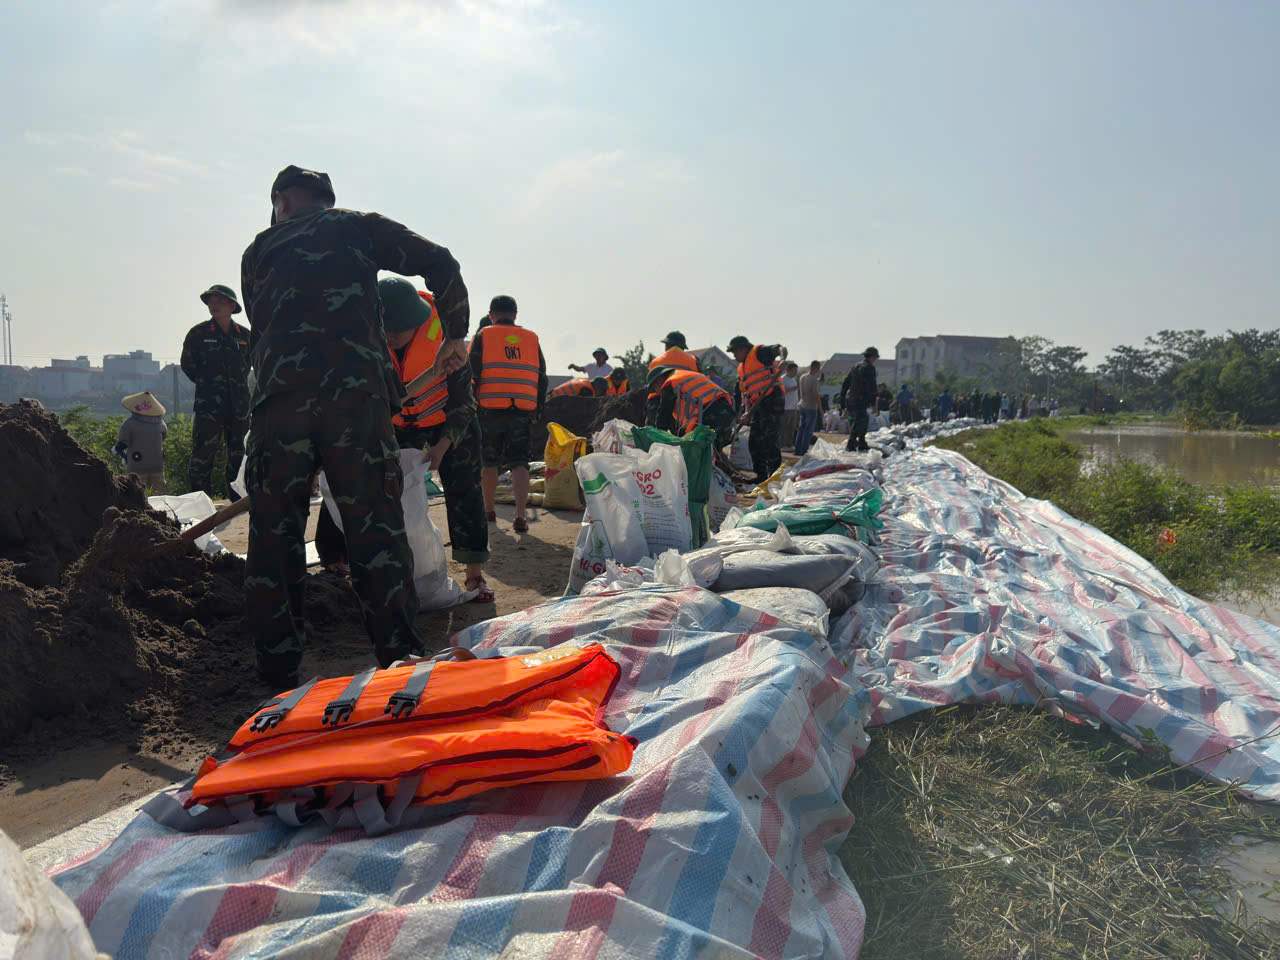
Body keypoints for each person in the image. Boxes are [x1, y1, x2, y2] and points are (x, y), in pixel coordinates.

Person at [240, 164, 469, 687]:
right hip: (356, 404)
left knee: (273, 540)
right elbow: (441, 261)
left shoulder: (258, 250)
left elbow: (262, 326)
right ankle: (399, 662)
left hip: (279, 408)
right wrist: (454, 334)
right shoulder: (358, 227)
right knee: (376, 532)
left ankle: (277, 676)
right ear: (325, 199)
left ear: (281, 202)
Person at [470, 294, 547, 535]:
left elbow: (471, 373)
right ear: (515, 314)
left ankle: (488, 511)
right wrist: (537, 409)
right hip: (522, 410)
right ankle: (521, 516)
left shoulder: (484, 335)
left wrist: (470, 404)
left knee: (489, 462)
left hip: (489, 408)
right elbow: (542, 377)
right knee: (519, 462)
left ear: (491, 314)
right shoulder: (531, 339)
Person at [180, 284, 251, 499]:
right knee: (202, 456)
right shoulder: (198, 334)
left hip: (239, 406)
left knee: (239, 455)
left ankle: (237, 501)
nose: (214, 305)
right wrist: (208, 384)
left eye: (219, 301)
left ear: (232, 306)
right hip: (209, 406)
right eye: (211, 301)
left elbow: (251, 364)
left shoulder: (245, 335)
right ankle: (201, 504)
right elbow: (188, 365)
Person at [727, 335, 784, 482]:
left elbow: (780, 349)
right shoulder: (742, 368)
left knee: (769, 440)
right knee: (754, 441)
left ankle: (774, 477)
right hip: (758, 405)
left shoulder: (760, 353)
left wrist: (783, 358)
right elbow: (740, 392)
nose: (734, 356)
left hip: (772, 400)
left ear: (743, 349)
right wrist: (741, 413)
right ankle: (761, 475)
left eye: (735, 352)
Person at [646, 365, 736, 448]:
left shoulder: (670, 383)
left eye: (654, 388)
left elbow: (664, 415)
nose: (656, 392)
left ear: (659, 381)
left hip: (711, 415)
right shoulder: (684, 376)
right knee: (714, 452)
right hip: (726, 411)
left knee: (702, 451)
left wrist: (658, 438)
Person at [113, 390, 168, 492]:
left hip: (136, 466)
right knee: (159, 495)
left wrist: (124, 456)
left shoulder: (129, 424)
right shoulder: (161, 423)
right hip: (157, 465)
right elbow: (164, 437)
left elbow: (122, 444)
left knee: (138, 494)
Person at [840, 347, 879, 451]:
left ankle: (861, 442)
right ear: (872, 357)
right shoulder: (869, 368)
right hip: (860, 399)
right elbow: (872, 386)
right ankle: (851, 443)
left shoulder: (855, 366)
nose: (875, 360)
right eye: (875, 357)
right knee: (860, 421)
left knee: (861, 420)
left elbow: (846, 383)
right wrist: (874, 403)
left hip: (851, 399)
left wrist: (843, 400)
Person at [795, 360, 822, 455]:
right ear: (817, 368)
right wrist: (821, 409)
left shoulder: (802, 377)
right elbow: (816, 395)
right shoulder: (814, 380)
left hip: (802, 404)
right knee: (808, 430)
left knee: (801, 428)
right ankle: (804, 450)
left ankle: (798, 449)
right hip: (811, 406)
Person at [780, 361, 800, 451]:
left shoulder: (793, 380)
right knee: (784, 427)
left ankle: (789, 444)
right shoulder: (783, 379)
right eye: (794, 370)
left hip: (793, 407)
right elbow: (782, 391)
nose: (796, 372)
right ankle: (782, 445)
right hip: (785, 407)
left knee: (792, 428)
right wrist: (793, 388)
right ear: (789, 370)